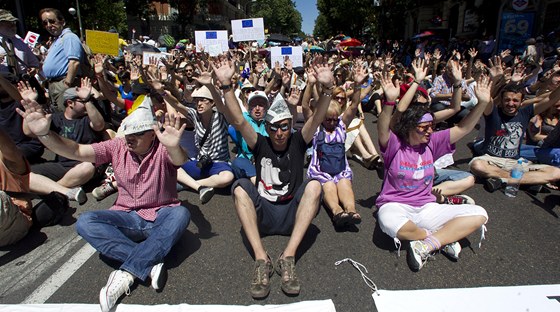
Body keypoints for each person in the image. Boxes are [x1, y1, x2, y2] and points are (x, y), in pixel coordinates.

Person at [18, 98, 191, 312]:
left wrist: (174, 146)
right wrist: (45, 135)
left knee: (181, 213)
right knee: (85, 221)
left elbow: (180, 160)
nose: (130, 139)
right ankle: (146, 262)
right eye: (128, 133)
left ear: (152, 134)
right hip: (126, 216)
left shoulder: (163, 147)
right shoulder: (117, 146)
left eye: (137, 134)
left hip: (161, 214)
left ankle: (127, 272)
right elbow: (77, 151)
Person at [217, 56, 333, 298]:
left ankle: (287, 257)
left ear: (290, 125)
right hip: (265, 214)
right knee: (239, 188)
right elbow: (238, 120)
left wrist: (328, 89)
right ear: (266, 128)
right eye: (273, 127)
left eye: (283, 126)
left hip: (292, 213)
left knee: (314, 186)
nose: (279, 133)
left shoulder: (298, 141)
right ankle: (262, 259)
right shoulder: (260, 143)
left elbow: (318, 118)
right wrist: (227, 86)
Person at [375, 65, 490, 272]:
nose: (430, 131)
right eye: (424, 128)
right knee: (391, 224)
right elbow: (383, 128)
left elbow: (463, 128)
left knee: (479, 213)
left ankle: (427, 244)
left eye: (432, 127)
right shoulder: (395, 144)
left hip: (427, 207)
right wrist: (389, 102)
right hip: (395, 205)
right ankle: (443, 238)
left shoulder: (432, 143)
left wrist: (481, 103)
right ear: (409, 128)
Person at [22, 79, 105, 204]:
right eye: (82, 100)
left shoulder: (87, 118)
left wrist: (87, 100)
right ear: (70, 103)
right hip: (61, 166)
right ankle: (64, 191)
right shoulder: (55, 118)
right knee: (24, 175)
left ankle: (53, 189)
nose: (88, 103)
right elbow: (29, 132)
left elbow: (99, 125)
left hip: (82, 166)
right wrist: (30, 102)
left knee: (87, 167)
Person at [469, 79, 560, 192]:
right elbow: (487, 100)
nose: (511, 104)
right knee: (476, 165)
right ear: (501, 101)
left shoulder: (526, 113)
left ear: (522, 102)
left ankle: (502, 180)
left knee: (556, 173)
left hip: (516, 163)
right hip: (491, 160)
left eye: (515, 100)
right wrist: (496, 78)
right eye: (507, 100)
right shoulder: (493, 112)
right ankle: (524, 181)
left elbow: (551, 98)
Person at [307, 60, 366, 227]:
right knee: (329, 186)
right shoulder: (317, 127)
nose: (332, 122)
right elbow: (310, 104)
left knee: (345, 184)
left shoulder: (341, 124)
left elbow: (354, 105)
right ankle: (337, 212)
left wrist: (358, 84)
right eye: (328, 119)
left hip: (340, 167)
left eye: (334, 119)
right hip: (321, 169)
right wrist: (315, 84)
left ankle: (351, 210)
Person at [39, 8, 84, 111]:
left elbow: (74, 62)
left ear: (62, 21)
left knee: (67, 116)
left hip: (63, 84)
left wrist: (66, 85)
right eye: (45, 23)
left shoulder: (69, 37)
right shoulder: (57, 40)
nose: (49, 25)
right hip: (55, 85)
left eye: (52, 21)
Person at [0, 9, 40, 77]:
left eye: (14, 23)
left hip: (23, 82)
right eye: (8, 23)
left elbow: (34, 63)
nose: (13, 26)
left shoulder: (20, 42)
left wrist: (33, 68)